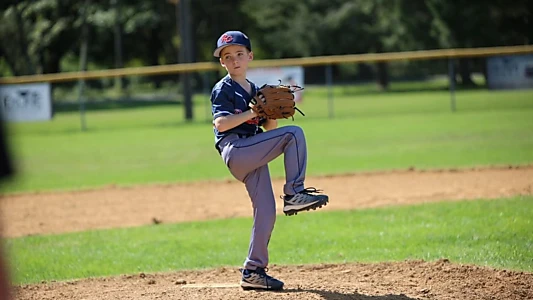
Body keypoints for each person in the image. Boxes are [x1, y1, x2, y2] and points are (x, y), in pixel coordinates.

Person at [210, 30, 329, 291]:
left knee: (266, 212)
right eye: (227, 57)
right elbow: (221, 123)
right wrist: (253, 111)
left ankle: (253, 271)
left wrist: (270, 111)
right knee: (295, 133)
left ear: (250, 56)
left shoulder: (255, 90)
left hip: (252, 152)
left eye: (240, 54)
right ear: (222, 62)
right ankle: (294, 192)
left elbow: (271, 131)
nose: (234, 60)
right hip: (236, 149)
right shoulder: (223, 89)